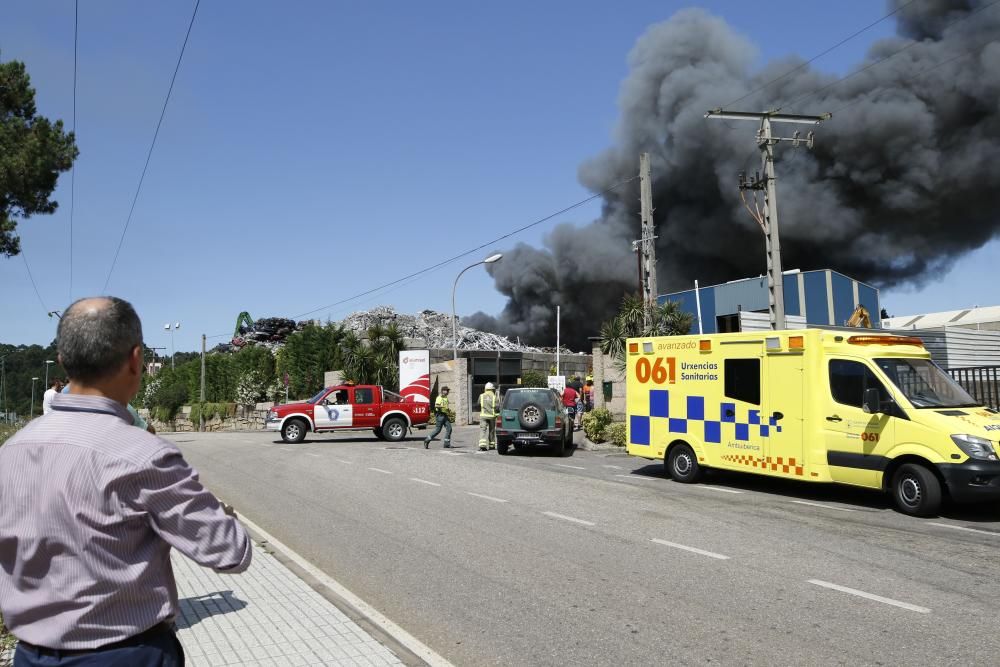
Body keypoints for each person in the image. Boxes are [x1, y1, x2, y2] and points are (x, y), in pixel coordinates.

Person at [0, 297, 251, 666]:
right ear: (136, 361)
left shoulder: (12, 451)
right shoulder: (143, 455)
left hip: (29, 655)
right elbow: (229, 551)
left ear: (64, 361)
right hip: (125, 655)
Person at [478, 382, 498, 451]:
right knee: (492, 431)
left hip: (483, 416)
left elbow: (478, 404)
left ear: (485, 389)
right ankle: (492, 445)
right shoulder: (495, 397)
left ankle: (482, 445)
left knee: (483, 430)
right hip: (492, 416)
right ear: (492, 389)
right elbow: (497, 407)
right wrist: (497, 416)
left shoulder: (481, 396)